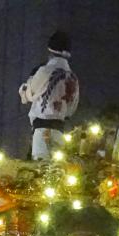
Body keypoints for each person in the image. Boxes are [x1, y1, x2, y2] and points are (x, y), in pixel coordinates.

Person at [19, 30, 79, 161]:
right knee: (57, 169)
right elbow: (71, 109)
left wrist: (29, 80)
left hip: (42, 128)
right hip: (59, 130)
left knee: (41, 169)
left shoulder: (45, 71)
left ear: (50, 51)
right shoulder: (73, 78)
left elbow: (28, 94)